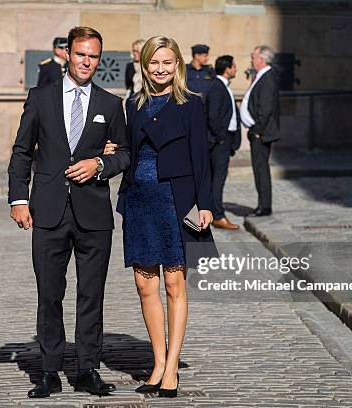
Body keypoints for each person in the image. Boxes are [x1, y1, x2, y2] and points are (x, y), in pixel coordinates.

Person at [8, 26, 130, 398]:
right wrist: (18, 199)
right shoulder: (40, 98)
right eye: (81, 54)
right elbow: (22, 152)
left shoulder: (110, 104)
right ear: (68, 55)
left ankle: (88, 369)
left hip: (93, 213)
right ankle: (48, 371)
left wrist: (100, 166)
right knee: (50, 293)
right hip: (48, 211)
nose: (86, 62)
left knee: (91, 295)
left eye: (93, 56)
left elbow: (124, 154)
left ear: (99, 59)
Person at [117, 35, 217, 398]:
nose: (160, 69)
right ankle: (157, 361)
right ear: (144, 65)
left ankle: (172, 365)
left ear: (178, 66)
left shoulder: (190, 104)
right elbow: (128, 149)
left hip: (177, 201)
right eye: (153, 63)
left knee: (175, 285)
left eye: (167, 62)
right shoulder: (133, 105)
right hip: (140, 201)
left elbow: (201, 158)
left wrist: (206, 205)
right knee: (146, 286)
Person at [240, 45, 280, 217]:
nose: (251, 60)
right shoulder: (262, 76)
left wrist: (257, 131)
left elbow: (265, 109)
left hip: (261, 133)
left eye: (253, 57)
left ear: (262, 60)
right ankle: (263, 204)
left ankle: (264, 207)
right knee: (259, 168)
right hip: (258, 131)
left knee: (261, 169)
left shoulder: (267, 78)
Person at [205, 55, 242, 230]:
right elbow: (212, 117)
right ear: (227, 69)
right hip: (219, 142)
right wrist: (221, 137)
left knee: (217, 178)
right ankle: (217, 215)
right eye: (234, 66)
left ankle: (213, 211)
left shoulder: (223, 86)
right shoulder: (217, 87)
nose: (236, 69)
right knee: (218, 179)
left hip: (225, 141)